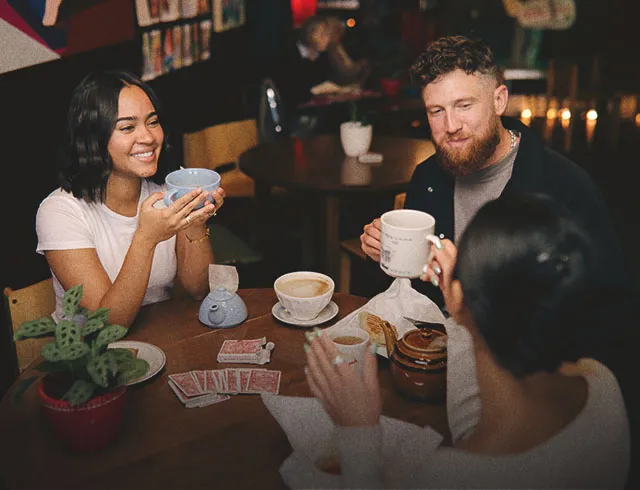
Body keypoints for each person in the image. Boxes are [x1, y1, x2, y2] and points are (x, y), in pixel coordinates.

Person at [305, 193, 630, 489]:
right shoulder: (602, 385)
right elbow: (474, 418)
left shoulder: (441, 477)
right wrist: (460, 309)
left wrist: (358, 433)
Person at [358, 36, 630, 357]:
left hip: (530, 369)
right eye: (436, 110)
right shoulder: (428, 177)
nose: (451, 125)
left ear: (499, 101)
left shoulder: (564, 187)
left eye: (464, 105)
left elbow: (609, 310)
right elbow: (417, 287)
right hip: (438, 357)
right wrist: (384, 251)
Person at [36, 70, 225, 327]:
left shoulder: (168, 190)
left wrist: (196, 219)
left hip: (164, 341)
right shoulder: (59, 212)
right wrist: (146, 238)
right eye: (127, 127)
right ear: (94, 139)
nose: (148, 137)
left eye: (153, 122)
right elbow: (108, 324)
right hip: (93, 358)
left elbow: (197, 290)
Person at [325, 16, 371, 87]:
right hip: (337, 86)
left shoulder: (338, 46)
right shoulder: (329, 49)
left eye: (340, 31)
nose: (340, 34)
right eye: (337, 31)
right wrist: (360, 66)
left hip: (349, 84)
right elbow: (343, 71)